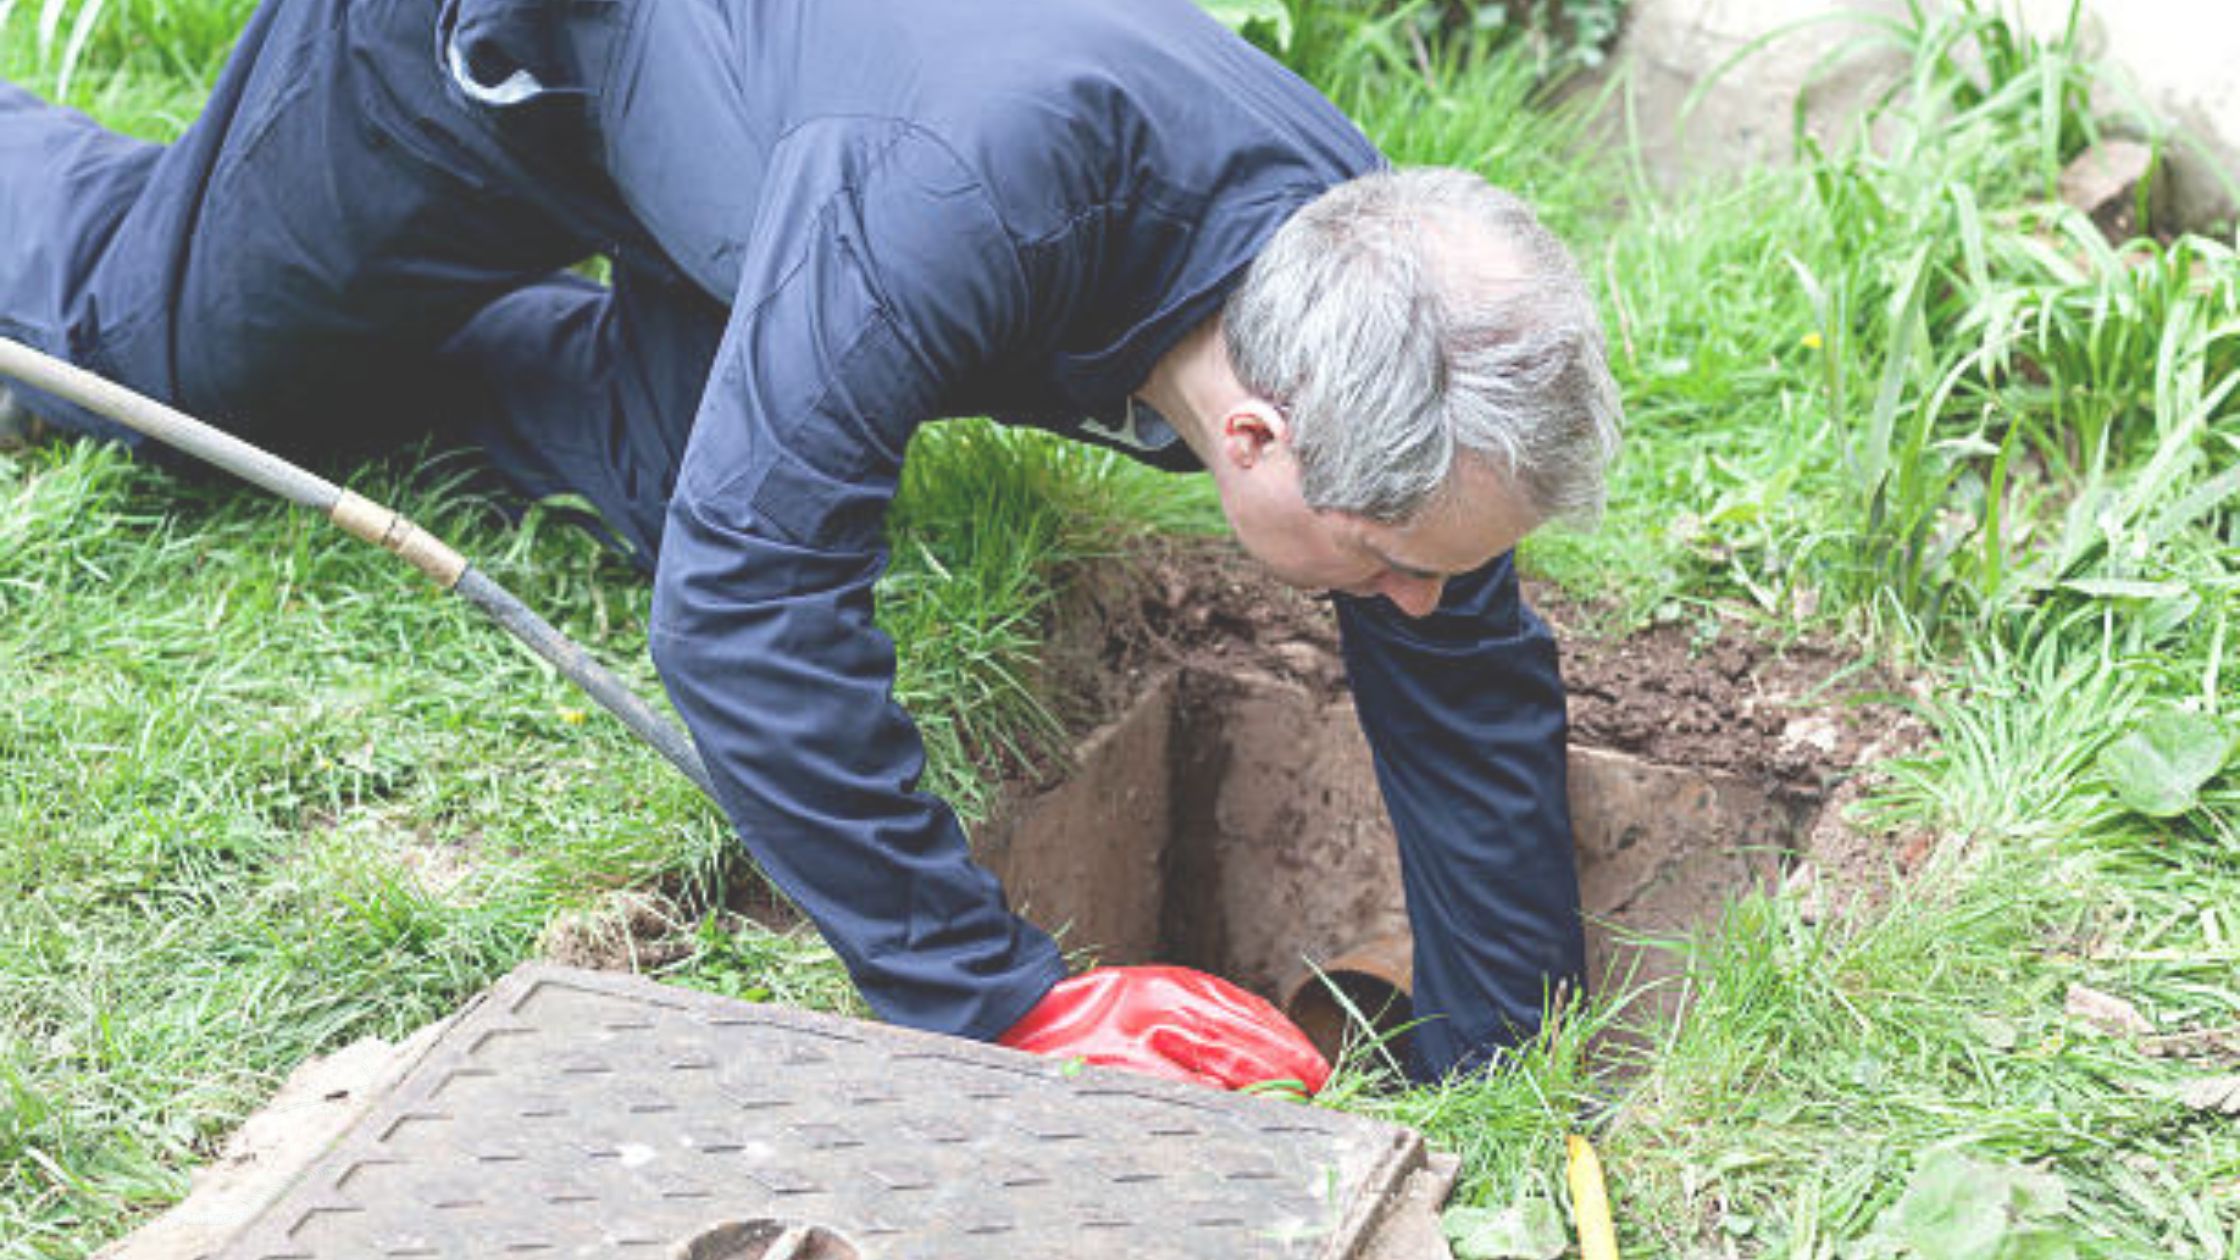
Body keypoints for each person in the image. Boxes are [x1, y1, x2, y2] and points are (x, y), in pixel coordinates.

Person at [0, 0, 1621, 1089]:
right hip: (501, 59)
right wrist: (1005, 997)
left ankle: (368, 348)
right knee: (162, 367)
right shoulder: (960, 207)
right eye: (1401, 556)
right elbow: (743, 607)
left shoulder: (1366, 277)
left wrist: (1498, 1059)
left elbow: (1462, 665)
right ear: (1254, 439)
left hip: (757, 135)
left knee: (659, 476)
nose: (1427, 597)